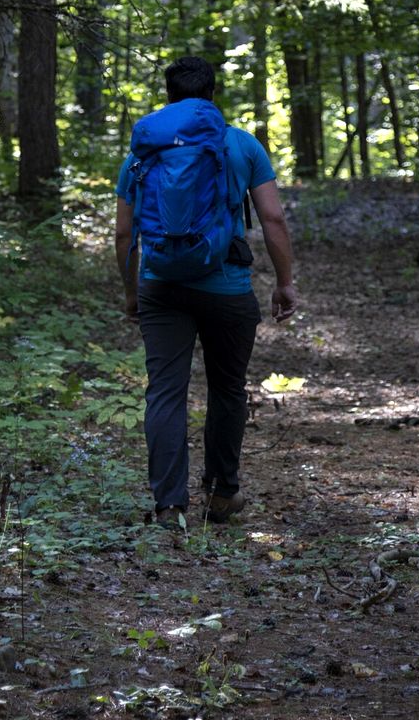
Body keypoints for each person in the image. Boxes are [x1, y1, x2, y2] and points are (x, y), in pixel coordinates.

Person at [115, 56, 299, 531]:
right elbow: (273, 219)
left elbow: (123, 233)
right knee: (227, 389)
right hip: (228, 288)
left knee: (166, 393)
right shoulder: (240, 144)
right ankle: (221, 496)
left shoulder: (144, 149)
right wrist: (284, 282)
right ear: (213, 96)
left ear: (169, 95)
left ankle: (169, 507)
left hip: (161, 286)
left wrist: (133, 293)